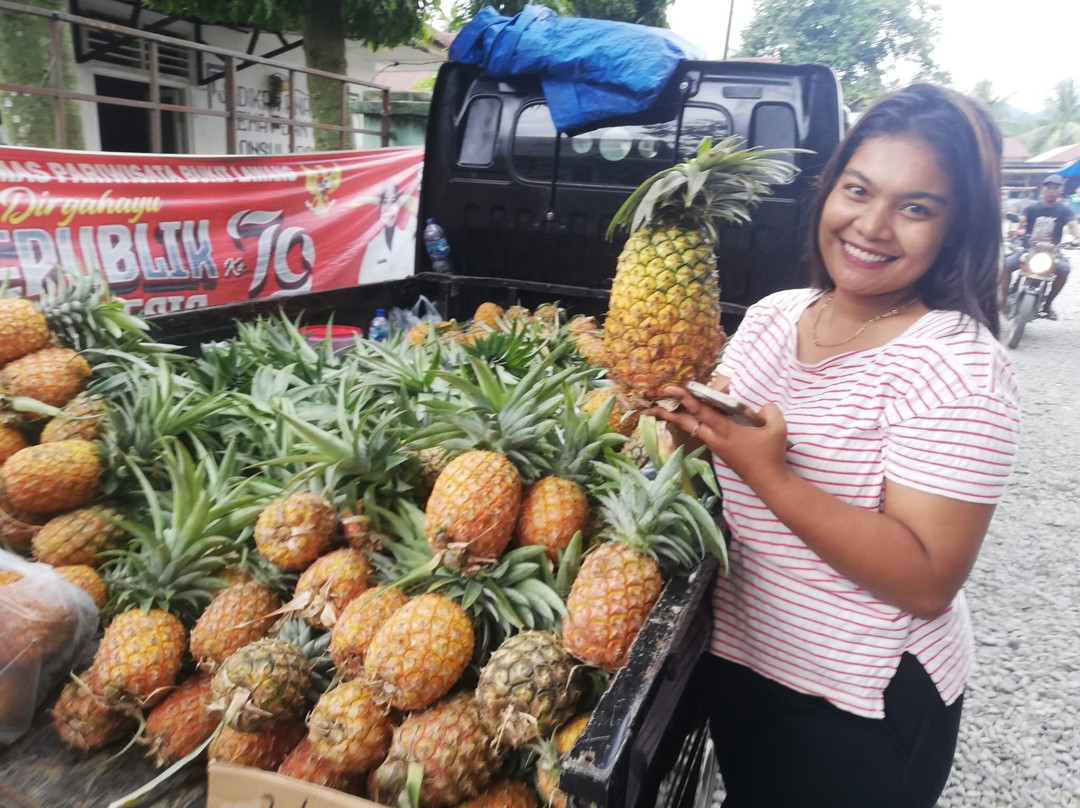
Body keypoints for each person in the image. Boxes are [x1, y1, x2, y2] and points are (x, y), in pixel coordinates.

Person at [648, 84, 1021, 807]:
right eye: (858, 189)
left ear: (956, 229)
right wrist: (680, 423)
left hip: (859, 704)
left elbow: (927, 580)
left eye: (916, 208)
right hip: (747, 658)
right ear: (829, 190)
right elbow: (712, 458)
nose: (872, 226)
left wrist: (771, 474)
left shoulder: (958, 367)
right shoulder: (773, 315)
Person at [1003, 174, 1080, 319]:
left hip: (1052, 252)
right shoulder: (1032, 208)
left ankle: (1048, 305)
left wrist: (1078, 237)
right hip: (1029, 249)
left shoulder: (1065, 210)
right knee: (1006, 265)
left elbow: (1073, 225)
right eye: (1048, 188)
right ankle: (1003, 298)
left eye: (1055, 188)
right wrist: (1014, 229)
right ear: (1043, 190)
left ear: (1060, 190)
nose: (1051, 191)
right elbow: (1021, 219)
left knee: (1064, 270)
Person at [357, 179, 418, 284]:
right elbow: (363, 283)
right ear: (380, 207)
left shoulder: (408, 238)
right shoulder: (372, 246)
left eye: (393, 201)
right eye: (385, 202)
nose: (389, 208)